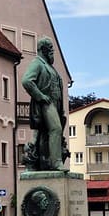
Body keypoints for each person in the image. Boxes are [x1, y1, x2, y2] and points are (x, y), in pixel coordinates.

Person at [21, 37, 68, 171]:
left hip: (55, 104)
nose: (53, 52)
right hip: (46, 104)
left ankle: (45, 162)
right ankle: (56, 163)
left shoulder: (49, 67)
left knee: (45, 136)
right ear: (44, 50)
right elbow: (26, 81)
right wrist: (40, 96)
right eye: (51, 49)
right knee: (56, 129)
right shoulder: (37, 63)